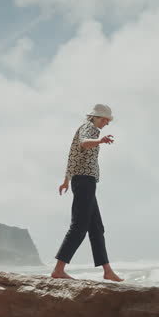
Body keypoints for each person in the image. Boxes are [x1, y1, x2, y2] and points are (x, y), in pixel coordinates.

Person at [51, 104, 122, 282]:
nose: (106, 123)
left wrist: (66, 180)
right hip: (84, 181)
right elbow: (83, 143)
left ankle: (107, 270)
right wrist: (100, 141)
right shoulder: (88, 128)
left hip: (84, 181)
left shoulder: (87, 128)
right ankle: (59, 269)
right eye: (105, 119)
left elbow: (72, 155)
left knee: (96, 227)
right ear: (96, 117)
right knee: (79, 227)